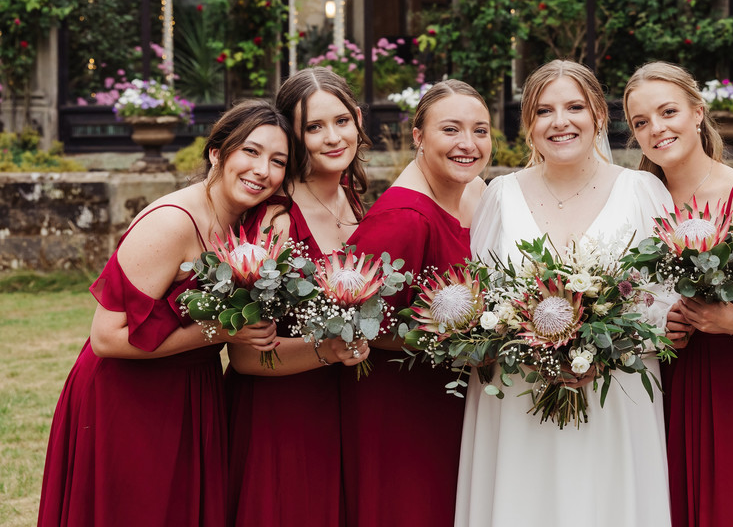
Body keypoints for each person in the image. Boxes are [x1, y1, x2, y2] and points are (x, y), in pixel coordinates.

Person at [38, 100, 291, 527]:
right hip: (127, 396)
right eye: (250, 151)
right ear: (217, 153)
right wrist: (223, 332)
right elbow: (106, 337)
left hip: (192, 388)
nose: (262, 170)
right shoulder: (172, 223)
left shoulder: (246, 223)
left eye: (278, 161)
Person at [456, 60, 672, 527]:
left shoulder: (642, 191)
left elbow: (666, 307)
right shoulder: (499, 195)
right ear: (528, 125)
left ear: (599, 114)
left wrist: (605, 351)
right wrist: (519, 343)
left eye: (575, 107)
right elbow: (482, 300)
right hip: (520, 396)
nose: (560, 122)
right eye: (543, 111)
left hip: (615, 399)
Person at [623, 61, 733, 527]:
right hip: (658, 388)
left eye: (668, 112)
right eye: (641, 122)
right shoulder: (636, 199)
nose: (657, 129)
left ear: (697, 112)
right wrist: (651, 326)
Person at [225, 67, 371, 526]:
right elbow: (245, 356)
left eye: (341, 121)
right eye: (314, 127)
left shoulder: (355, 201)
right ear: (294, 136)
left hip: (342, 409)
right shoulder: (276, 220)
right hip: (280, 416)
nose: (333, 137)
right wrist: (328, 350)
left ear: (358, 120)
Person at [342, 79, 492, 527]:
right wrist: (461, 339)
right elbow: (357, 325)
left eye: (480, 130)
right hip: (405, 410)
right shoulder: (402, 218)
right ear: (418, 136)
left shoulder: (476, 192)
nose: (468, 144)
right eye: (451, 129)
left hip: (460, 401)